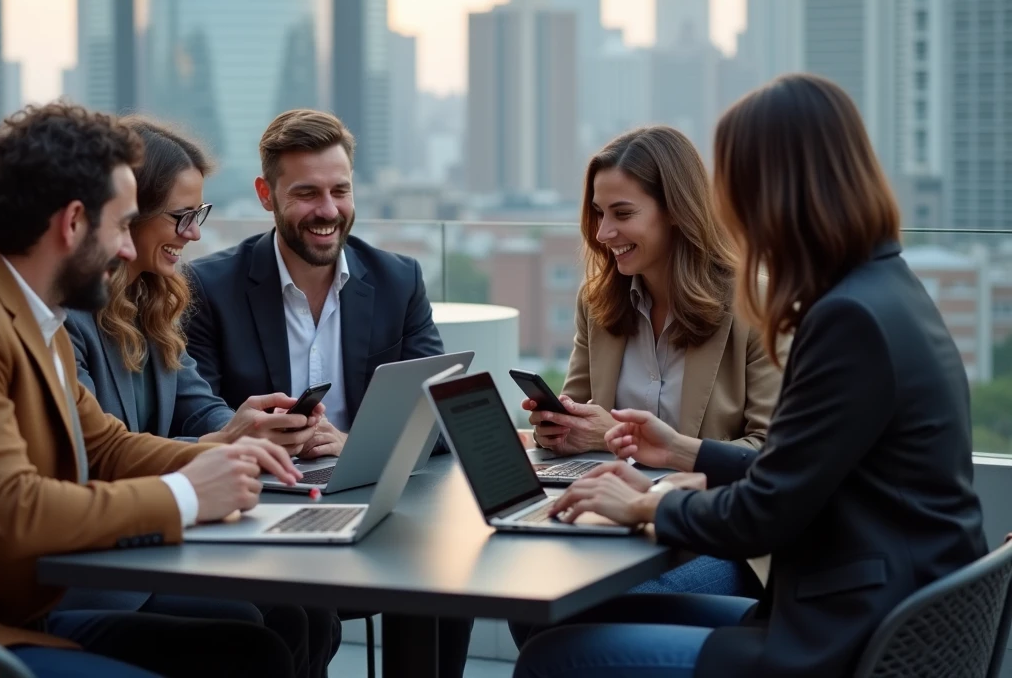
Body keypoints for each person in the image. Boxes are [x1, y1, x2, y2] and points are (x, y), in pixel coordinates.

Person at [515, 74, 987, 677]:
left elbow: (767, 512)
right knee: (553, 622)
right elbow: (796, 471)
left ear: (775, 189)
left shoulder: (845, 318)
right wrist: (684, 451)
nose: (729, 209)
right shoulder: (887, 290)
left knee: (553, 657)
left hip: (846, 637)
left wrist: (647, 505)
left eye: (735, 183)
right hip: (872, 610)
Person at [0, 104, 305, 678]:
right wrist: (186, 495)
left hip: (10, 615)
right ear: (73, 223)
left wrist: (226, 460)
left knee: (253, 651)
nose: (127, 249)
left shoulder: (34, 313)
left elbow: (106, 445)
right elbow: (11, 511)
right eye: (121, 226)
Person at [183, 108, 473, 678]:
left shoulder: (398, 280)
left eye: (340, 190)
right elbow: (194, 409)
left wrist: (356, 443)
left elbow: (443, 414)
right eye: (306, 193)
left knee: (447, 573)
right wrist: (251, 433)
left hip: (371, 503)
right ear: (266, 194)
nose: (328, 210)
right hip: (261, 510)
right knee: (296, 614)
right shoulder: (208, 287)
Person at [62, 116, 340, 678]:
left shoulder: (153, 298)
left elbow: (197, 404)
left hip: (162, 542)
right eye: (182, 216)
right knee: (250, 627)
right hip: (106, 566)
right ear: (128, 215)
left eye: (199, 215)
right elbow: (99, 456)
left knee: (310, 613)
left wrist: (248, 423)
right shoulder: (68, 320)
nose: (193, 234)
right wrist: (220, 445)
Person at [512, 127, 781, 644]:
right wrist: (559, 427)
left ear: (676, 211)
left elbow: (773, 456)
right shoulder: (598, 302)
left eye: (622, 213)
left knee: (573, 609)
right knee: (530, 595)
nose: (603, 232)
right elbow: (580, 415)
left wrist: (622, 440)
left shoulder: (756, 303)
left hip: (721, 535)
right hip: (616, 523)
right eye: (598, 213)